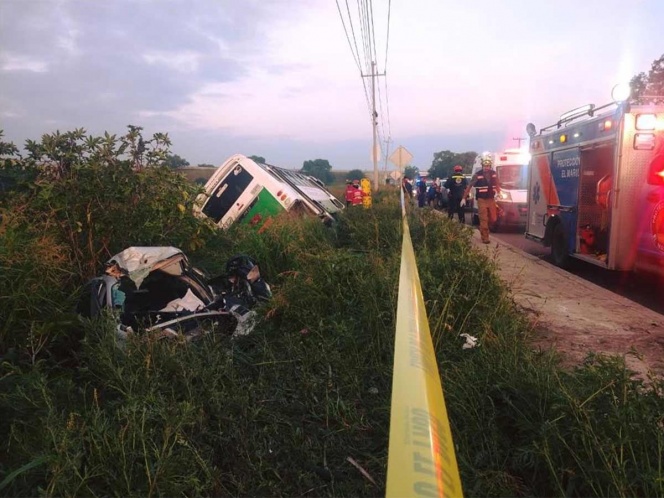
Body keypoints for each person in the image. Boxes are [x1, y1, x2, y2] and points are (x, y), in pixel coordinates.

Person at [463, 154, 501, 243]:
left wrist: (499, 193)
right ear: (482, 166)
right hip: (481, 200)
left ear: (490, 166)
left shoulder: (494, 174)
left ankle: (486, 229)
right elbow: (469, 186)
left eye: (487, 166)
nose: (486, 167)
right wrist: (464, 197)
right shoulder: (477, 175)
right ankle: (485, 237)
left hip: (491, 199)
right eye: (485, 166)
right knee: (483, 219)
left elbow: (497, 184)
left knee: (494, 218)